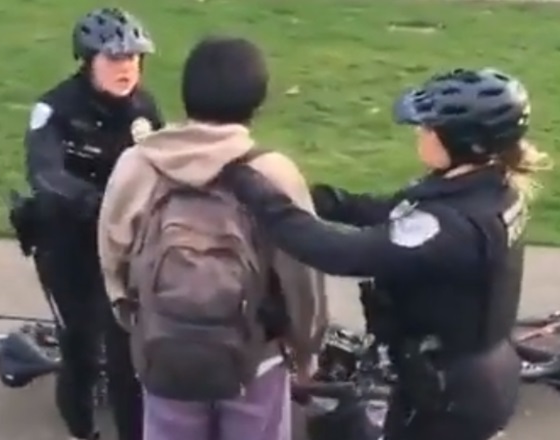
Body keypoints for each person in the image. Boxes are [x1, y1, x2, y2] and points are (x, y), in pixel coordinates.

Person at [221, 67, 552, 440]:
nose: (420, 132)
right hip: (467, 375)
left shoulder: (455, 227)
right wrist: (319, 199)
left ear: (465, 142)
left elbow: (340, 253)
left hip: (448, 396)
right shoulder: (486, 189)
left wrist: (253, 191)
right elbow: (393, 213)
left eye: (429, 127)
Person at [97, 36, 327, 440]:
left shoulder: (138, 164)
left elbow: (113, 255)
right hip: (256, 355)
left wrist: (139, 322)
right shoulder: (274, 173)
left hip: (166, 349)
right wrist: (306, 350)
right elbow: (302, 276)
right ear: (256, 99)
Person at [21, 7, 164, 440]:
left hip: (123, 246)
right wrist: (99, 203)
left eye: (134, 58)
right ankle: (83, 430)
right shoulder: (54, 109)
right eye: (115, 59)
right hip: (71, 247)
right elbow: (46, 174)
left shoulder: (144, 107)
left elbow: (164, 161)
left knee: (126, 356)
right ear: (88, 61)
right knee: (81, 347)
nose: (127, 68)